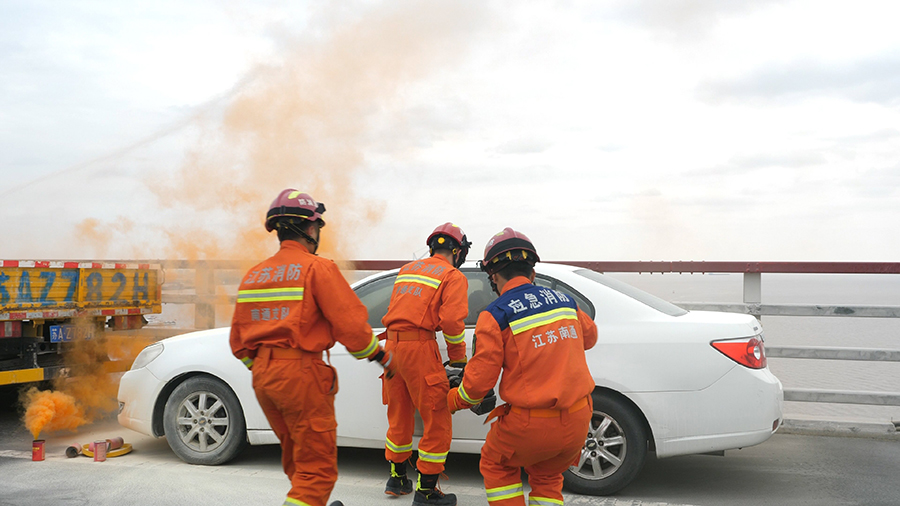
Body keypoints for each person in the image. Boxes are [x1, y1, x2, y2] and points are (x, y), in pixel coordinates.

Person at [230, 189, 394, 506]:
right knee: (317, 470)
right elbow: (351, 325)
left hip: (263, 377)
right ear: (310, 228)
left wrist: (266, 367)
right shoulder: (317, 268)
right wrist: (382, 356)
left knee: (297, 458)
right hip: (301, 376)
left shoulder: (254, 275)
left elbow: (239, 343)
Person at [446, 227, 598, 506]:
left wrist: (454, 399)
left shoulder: (495, 316)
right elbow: (590, 338)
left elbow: (478, 385)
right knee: (548, 476)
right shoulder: (566, 302)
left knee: (496, 464)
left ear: (493, 277)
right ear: (532, 271)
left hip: (531, 424)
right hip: (579, 418)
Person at [380, 223, 472, 506]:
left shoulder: (407, 270)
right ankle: (427, 491)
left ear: (432, 247)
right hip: (419, 349)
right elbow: (453, 324)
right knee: (437, 418)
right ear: (457, 251)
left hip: (392, 348)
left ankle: (397, 479)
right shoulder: (452, 276)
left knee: (399, 414)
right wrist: (458, 359)